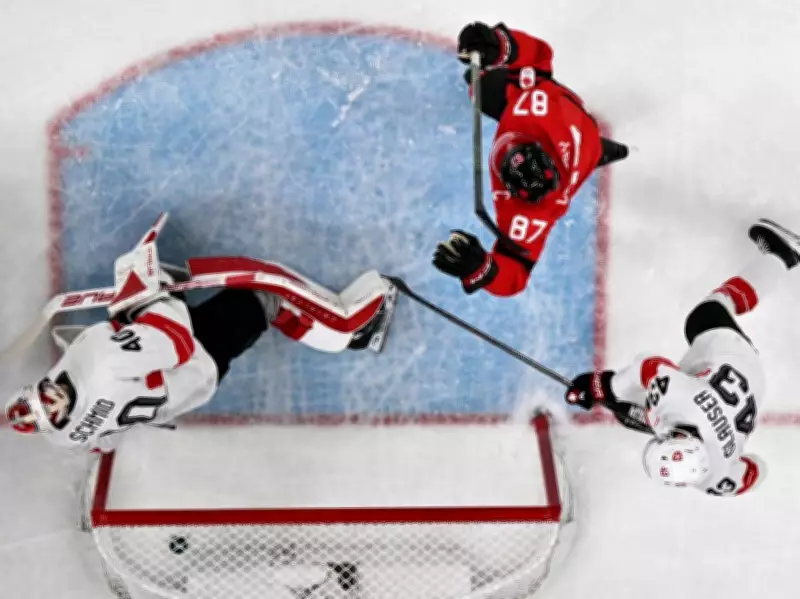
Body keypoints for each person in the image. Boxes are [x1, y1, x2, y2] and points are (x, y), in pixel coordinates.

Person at [5, 218, 396, 453]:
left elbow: (100, 439)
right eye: (53, 407)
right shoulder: (105, 365)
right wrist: (148, 299)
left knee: (249, 306)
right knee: (264, 293)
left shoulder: (62, 437)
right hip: (196, 359)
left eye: (45, 395)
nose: (54, 398)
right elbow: (175, 341)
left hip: (175, 390)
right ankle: (351, 333)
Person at [563, 219, 800, 496]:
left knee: (630, 410)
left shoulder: (715, 480)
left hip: (750, 390)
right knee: (705, 315)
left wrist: (726, 443)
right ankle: (782, 255)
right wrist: (601, 386)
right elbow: (648, 366)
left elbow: (756, 471)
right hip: (731, 357)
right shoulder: (680, 399)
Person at [433, 22, 628, 297]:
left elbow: (515, 277)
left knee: (480, 89)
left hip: (581, 146)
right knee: (481, 87)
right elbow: (539, 54)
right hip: (578, 135)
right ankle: (597, 151)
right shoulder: (541, 109)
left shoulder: (527, 213)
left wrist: (483, 269)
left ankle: (597, 151)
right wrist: (498, 46)